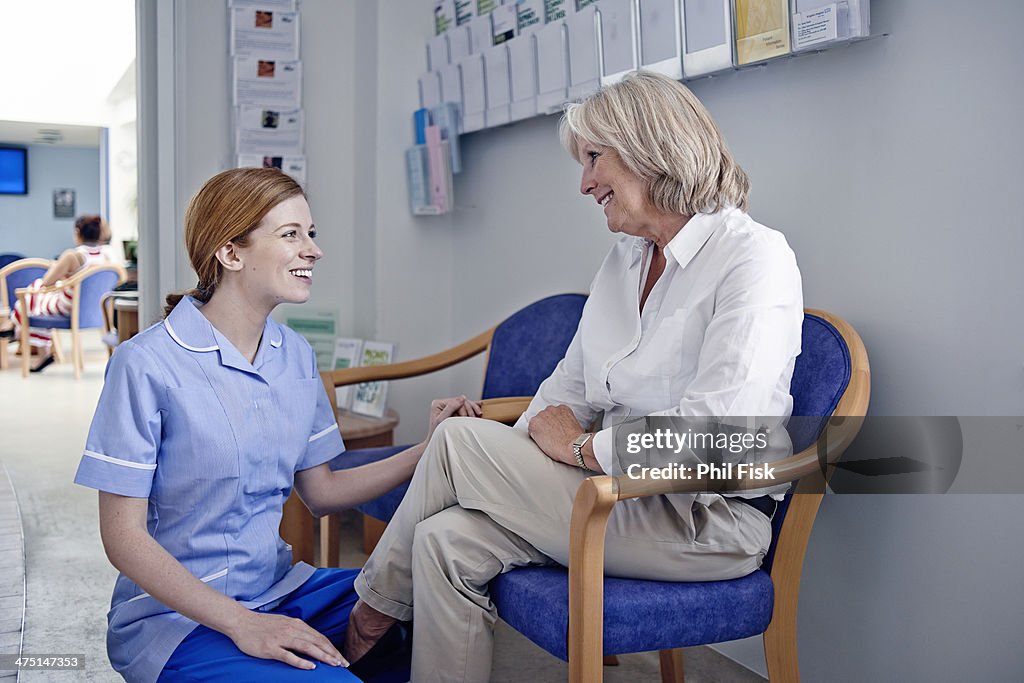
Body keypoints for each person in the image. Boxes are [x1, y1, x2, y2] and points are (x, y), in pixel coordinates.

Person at [343, 70, 804, 682]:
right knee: (444, 542)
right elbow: (567, 389)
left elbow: (717, 436)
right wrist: (518, 449)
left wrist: (581, 448)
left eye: (593, 158)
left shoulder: (754, 258)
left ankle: (361, 626)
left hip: (704, 521)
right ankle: (374, 631)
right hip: (608, 500)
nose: (585, 183)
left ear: (650, 147)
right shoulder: (626, 260)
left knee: (456, 443)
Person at [73, 168, 479, 683]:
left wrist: (427, 448)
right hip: (175, 620)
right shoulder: (145, 364)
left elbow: (324, 491)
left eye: (311, 234)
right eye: (291, 235)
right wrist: (243, 624)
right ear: (231, 253)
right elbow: (121, 538)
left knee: (423, 602)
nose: (313, 250)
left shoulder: (295, 356)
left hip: (280, 590)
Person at [1, 214, 116, 371]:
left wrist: (62, 272)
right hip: (97, 310)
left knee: (35, 289)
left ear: (77, 232)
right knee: (35, 298)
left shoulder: (73, 255)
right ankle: (16, 328)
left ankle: (16, 327)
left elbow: (48, 281)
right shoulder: (107, 256)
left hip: (67, 307)